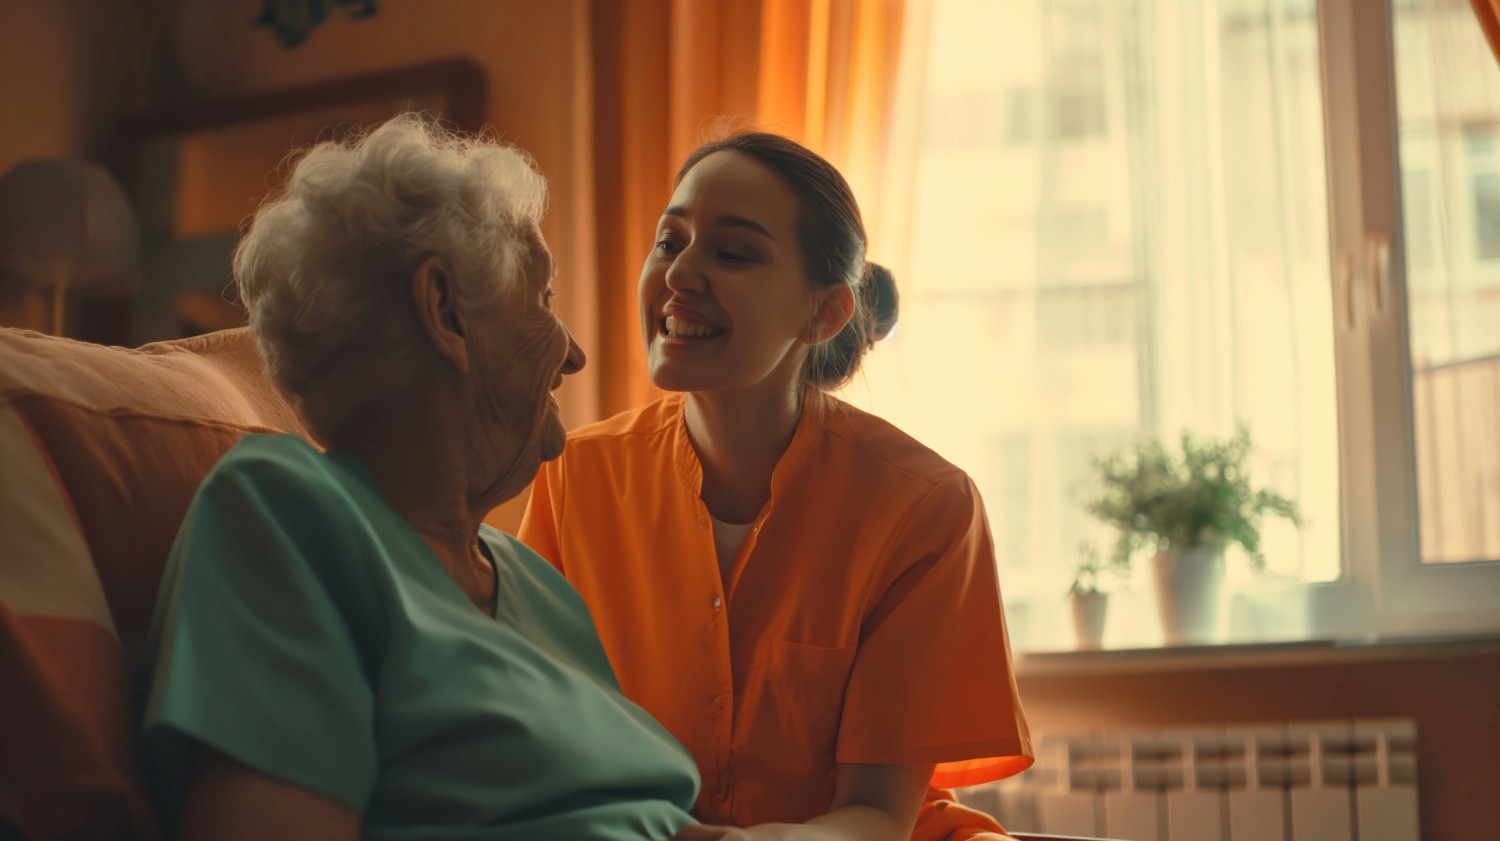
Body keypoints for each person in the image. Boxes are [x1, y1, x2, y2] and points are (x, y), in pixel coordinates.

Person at [138, 114, 701, 841]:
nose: (574, 356)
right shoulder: (286, 514)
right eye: (544, 302)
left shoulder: (542, 588)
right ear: (444, 311)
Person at [519, 132, 1034, 841]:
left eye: (733, 253)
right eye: (670, 242)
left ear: (823, 313)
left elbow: (877, 813)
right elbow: (537, 748)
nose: (681, 274)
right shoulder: (573, 476)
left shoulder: (925, 508)